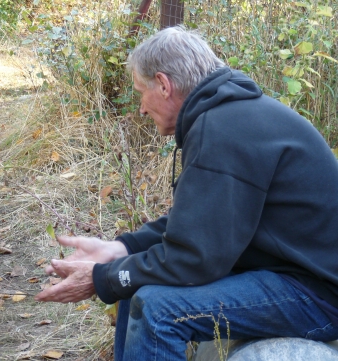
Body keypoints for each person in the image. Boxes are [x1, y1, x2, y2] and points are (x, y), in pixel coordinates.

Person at [35, 26, 338, 360]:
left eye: (141, 92)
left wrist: (103, 277)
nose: (141, 108)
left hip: (318, 295)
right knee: (132, 284)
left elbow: (195, 259)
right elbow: (201, 222)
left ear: (164, 85)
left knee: (156, 310)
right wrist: (120, 248)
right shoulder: (228, 116)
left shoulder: (222, 128)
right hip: (294, 276)